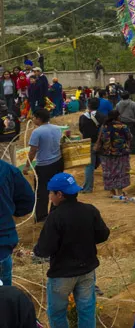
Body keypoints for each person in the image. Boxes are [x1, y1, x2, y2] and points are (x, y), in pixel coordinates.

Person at [33, 172, 110, 328]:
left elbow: (44, 249)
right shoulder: (90, 210)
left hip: (62, 274)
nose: (49, 197)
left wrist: (36, 251)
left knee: (57, 313)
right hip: (87, 271)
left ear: (59, 194)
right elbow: (103, 234)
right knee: (87, 310)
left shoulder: (55, 217)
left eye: (50, 193)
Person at [0, 153, 35, 287]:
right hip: (3, 239)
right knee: (4, 296)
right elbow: (28, 200)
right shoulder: (6, 169)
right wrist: (11, 211)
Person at [25, 108, 63, 222]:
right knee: (56, 188)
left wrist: (27, 165)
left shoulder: (37, 132)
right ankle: (54, 212)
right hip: (58, 162)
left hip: (44, 165)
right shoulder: (57, 128)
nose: (32, 119)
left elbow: (33, 151)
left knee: (41, 191)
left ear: (39, 119)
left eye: (34, 117)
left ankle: (41, 216)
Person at [94, 110, 132, 197]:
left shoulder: (104, 127)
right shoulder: (123, 126)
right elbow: (129, 137)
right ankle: (119, 191)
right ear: (118, 117)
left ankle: (111, 192)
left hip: (106, 153)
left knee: (108, 172)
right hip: (121, 153)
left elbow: (101, 138)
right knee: (120, 171)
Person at [77, 97, 105, 193]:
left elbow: (81, 129)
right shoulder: (102, 116)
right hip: (100, 143)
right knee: (105, 164)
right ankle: (110, 187)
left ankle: (88, 187)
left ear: (88, 105)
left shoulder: (82, 117)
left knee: (89, 166)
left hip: (88, 142)